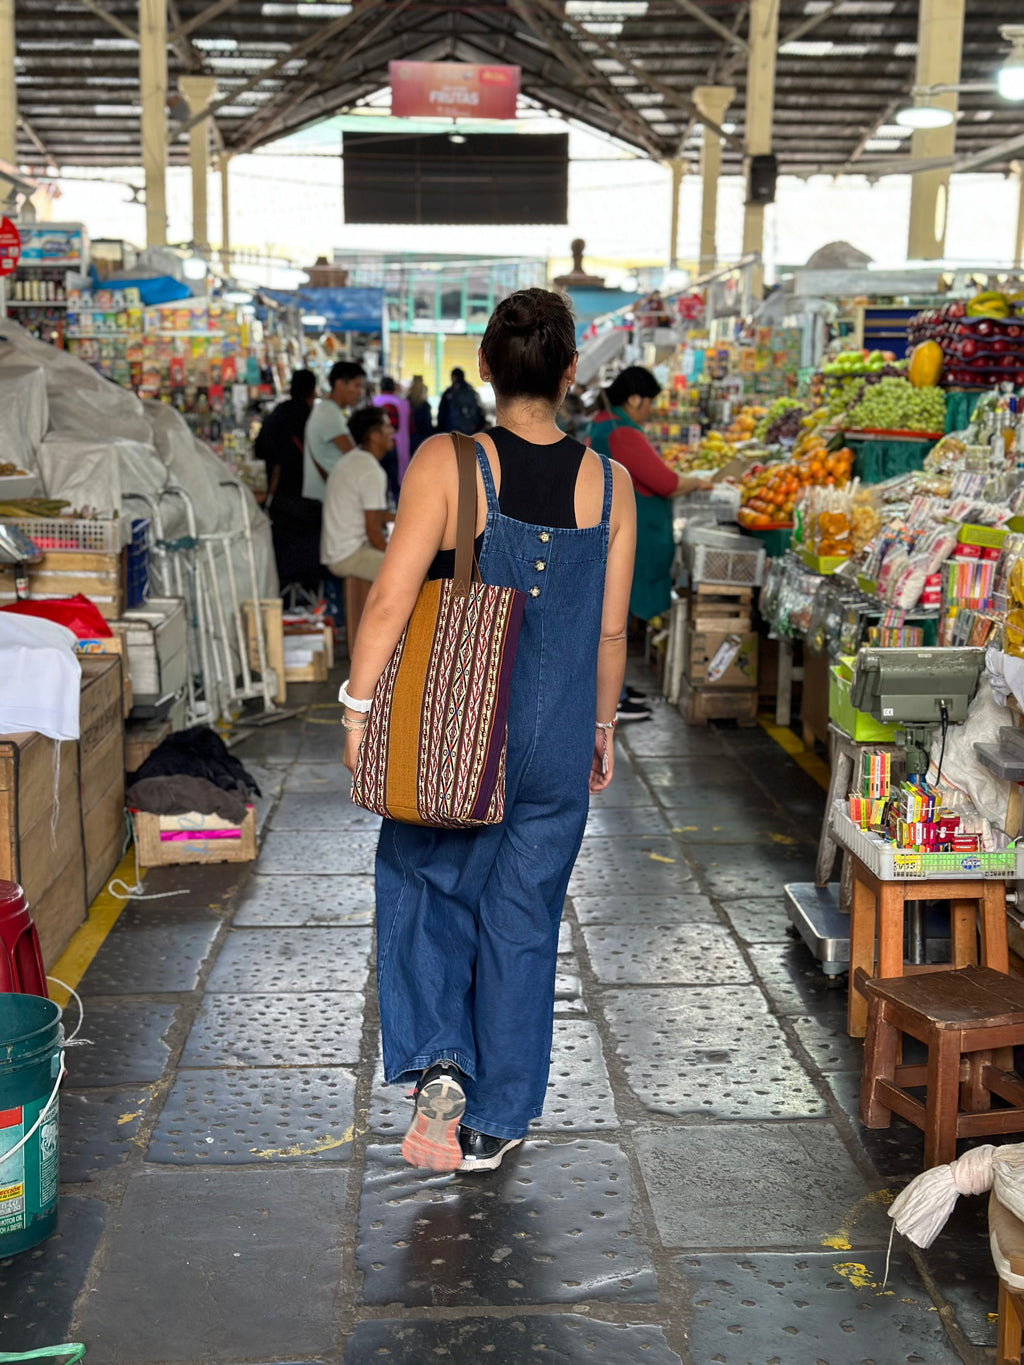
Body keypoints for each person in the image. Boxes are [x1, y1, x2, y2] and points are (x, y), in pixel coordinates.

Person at [342, 287, 635, 1174]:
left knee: (426, 878)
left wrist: (358, 710)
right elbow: (614, 631)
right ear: (572, 371)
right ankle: (499, 1119)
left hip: (457, 725)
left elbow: (392, 596)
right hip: (553, 737)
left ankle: (441, 1059)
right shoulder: (612, 482)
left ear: (483, 365)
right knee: (523, 919)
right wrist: (601, 725)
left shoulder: (446, 459)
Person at [590, 366, 712, 722]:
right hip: (627, 536)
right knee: (615, 620)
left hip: (611, 530)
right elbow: (666, 481)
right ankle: (612, 702)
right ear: (634, 398)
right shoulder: (622, 432)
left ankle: (617, 693)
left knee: (613, 616)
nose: (651, 410)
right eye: (649, 403)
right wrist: (700, 482)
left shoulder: (603, 423)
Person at [253, 368, 321, 587]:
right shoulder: (312, 418)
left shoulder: (276, 415)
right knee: (307, 552)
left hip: (278, 496)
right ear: (312, 391)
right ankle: (307, 595)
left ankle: (286, 596)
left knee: (283, 550)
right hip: (307, 497)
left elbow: (259, 450)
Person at [321, 407, 395, 584]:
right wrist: (396, 560)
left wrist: (403, 517)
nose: (392, 432)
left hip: (336, 550)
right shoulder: (371, 471)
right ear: (374, 435)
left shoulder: (353, 459)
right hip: (349, 555)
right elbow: (373, 530)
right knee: (414, 574)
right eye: (387, 427)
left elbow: (369, 514)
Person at [302, 360, 366, 502]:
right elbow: (354, 456)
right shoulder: (328, 413)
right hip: (324, 499)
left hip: (325, 496)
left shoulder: (327, 410)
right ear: (339, 384)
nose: (360, 392)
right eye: (356, 385)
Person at [372, 376, 413, 484]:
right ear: (393, 388)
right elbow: (411, 426)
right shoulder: (404, 404)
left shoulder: (373, 402)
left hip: (378, 446)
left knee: (379, 482)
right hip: (399, 447)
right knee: (397, 485)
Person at [437, 366, 485, 435]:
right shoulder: (472, 392)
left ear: (453, 377)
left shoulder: (448, 393)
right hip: (469, 432)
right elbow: (480, 411)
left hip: (451, 432)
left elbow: (441, 414)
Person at [407, 374, 434, 455]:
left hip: (409, 438)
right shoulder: (425, 406)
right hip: (422, 439)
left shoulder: (406, 403)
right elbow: (427, 425)